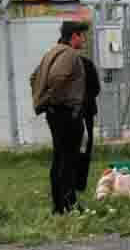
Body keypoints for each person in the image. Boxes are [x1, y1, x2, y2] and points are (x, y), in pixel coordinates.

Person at [31, 20, 90, 214]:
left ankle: (59, 206)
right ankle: (68, 204)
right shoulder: (69, 55)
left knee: (60, 159)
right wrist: (53, 99)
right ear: (74, 37)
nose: (84, 39)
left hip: (56, 113)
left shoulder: (52, 51)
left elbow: (34, 78)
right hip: (66, 114)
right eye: (83, 35)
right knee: (68, 160)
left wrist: (44, 101)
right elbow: (57, 77)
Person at [76, 55, 101, 193]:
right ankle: (79, 185)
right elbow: (96, 88)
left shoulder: (85, 63)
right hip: (85, 113)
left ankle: (75, 185)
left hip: (77, 113)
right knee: (84, 149)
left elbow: (95, 88)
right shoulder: (85, 63)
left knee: (75, 150)